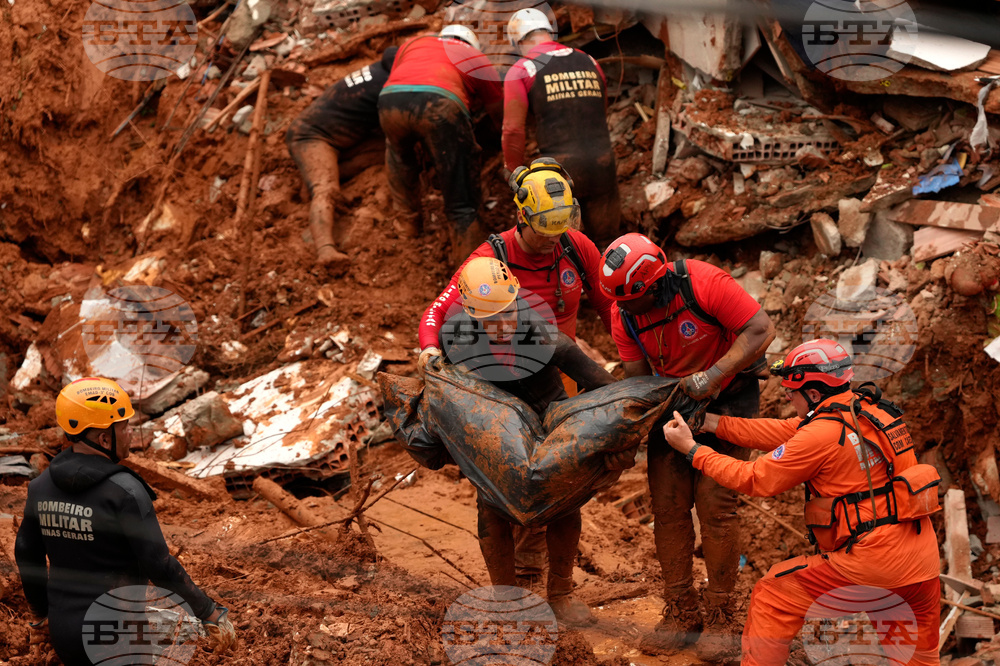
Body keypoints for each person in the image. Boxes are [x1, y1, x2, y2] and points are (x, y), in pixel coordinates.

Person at [660, 339, 941, 665]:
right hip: (922, 567)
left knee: (773, 594)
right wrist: (710, 423)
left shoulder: (821, 433)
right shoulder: (874, 412)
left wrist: (693, 451)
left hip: (871, 567)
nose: (787, 397)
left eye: (791, 392)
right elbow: (783, 431)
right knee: (916, 659)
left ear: (815, 394)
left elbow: (756, 479)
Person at [417, 160, 618, 593]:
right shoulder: (485, 269)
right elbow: (436, 316)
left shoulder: (571, 253)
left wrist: (624, 403)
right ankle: (513, 593)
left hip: (551, 382)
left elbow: (602, 330)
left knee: (558, 491)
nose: (552, 241)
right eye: (544, 231)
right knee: (494, 498)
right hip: (495, 398)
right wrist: (430, 352)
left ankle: (554, 587)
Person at [598, 233, 775, 660]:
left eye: (631, 300)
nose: (623, 309)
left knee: (716, 505)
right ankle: (681, 611)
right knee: (668, 505)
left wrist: (712, 375)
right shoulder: (624, 314)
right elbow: (639, 379)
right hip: (673, 400)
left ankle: (720, 615)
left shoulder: (704, 283)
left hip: (730, 393)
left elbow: (761, 328)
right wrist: (628, 430)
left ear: (654, 283)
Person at [434, 255, 619, 626]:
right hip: (496, 430)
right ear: (471, 315)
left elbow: (605, 387)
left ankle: (561, 594)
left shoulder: (547, 337)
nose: (502, 325)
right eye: (491, 319)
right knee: (491, 506)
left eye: (507, 313)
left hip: (549, 418)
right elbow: (452, 399)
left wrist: (608, 436)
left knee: (565, 504)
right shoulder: (456, 342)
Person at [14, 378, 236, 665]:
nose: (131, 433)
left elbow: (25, 552)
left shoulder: (40, 486)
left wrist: (40, 616)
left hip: (65, 637)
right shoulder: (125, 492)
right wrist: (209, 612)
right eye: (125, 427)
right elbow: (160, 564)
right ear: (104, 439)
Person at [378, 25, 503, 261]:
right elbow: (497, 109)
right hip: (440, 104)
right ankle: (467, 265)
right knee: (462, 192)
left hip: (389, 101)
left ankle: (407, 226)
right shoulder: (475, 57)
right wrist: (502, 138)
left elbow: (405, 82)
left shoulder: (414, 43)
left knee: (398, 155)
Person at [502, 8, 620, 247]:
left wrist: (514, 171)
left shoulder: (523, 69)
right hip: (602, 163)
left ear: (519, 41)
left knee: (562, 248)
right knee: (609, 246)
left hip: (559, 174)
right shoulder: (589, 61)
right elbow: (601, 110)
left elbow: (512, 129)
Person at [286, 47, 398, 266]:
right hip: (310, 136)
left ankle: (313, 177)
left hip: (338, 137)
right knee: (326, 188)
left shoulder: (384, 68)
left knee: (385, 150)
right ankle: (325, 249)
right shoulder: (392, 84)